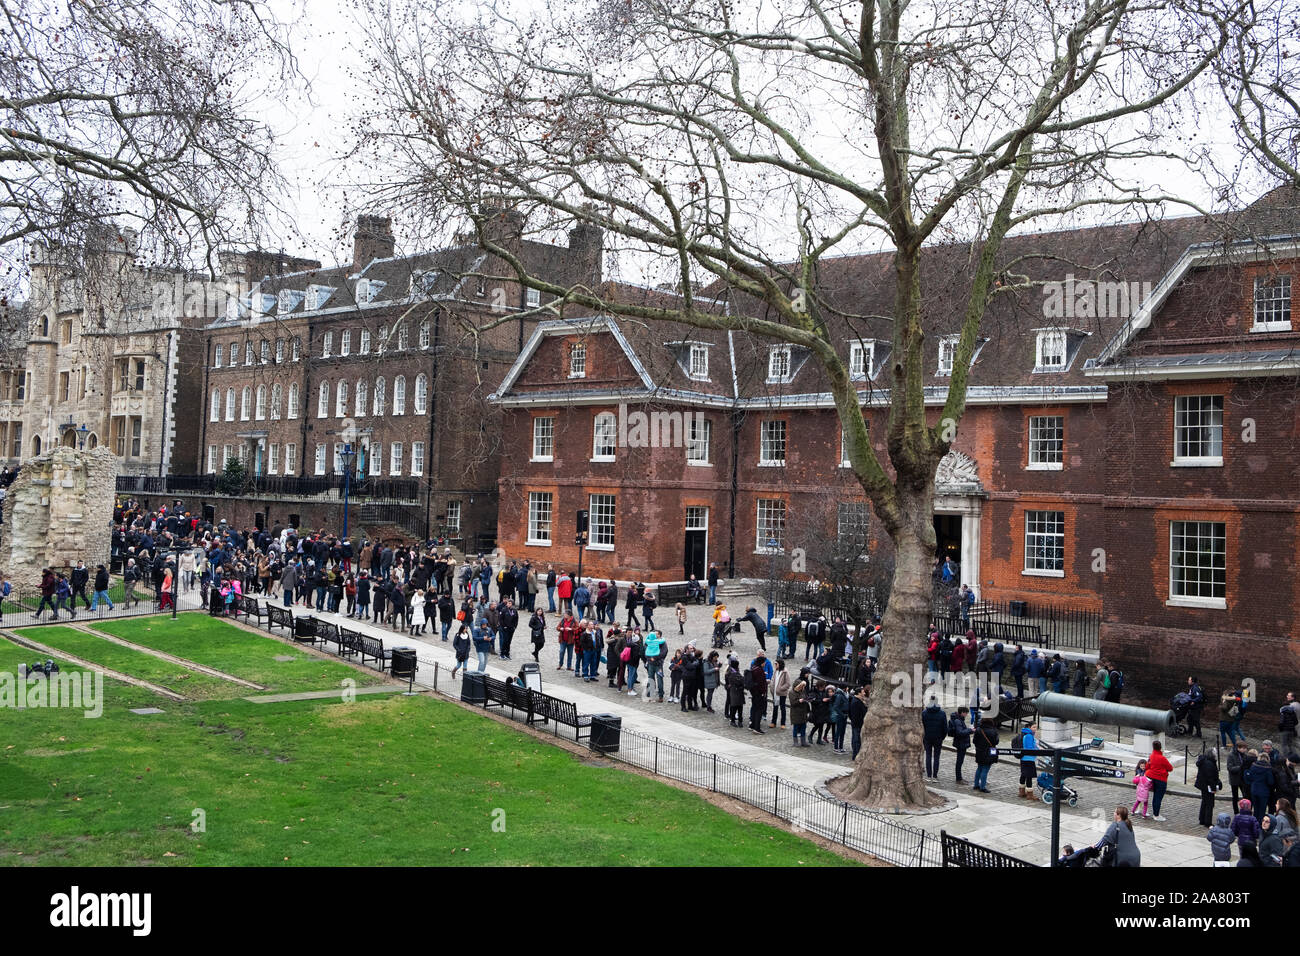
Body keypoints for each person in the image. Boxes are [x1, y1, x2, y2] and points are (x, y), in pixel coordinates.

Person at [1143, 740, 1172, 821]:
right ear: (1160, 748)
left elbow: (1147, 766)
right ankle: (1156, 815)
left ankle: (1154, 813)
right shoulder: (1162, 758)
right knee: (1158, 797)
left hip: (1151, 778)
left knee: (1155, 797)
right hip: (1161, 780)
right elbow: (1170, 768)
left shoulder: (1151, 756)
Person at [1194, 747, 1223, 827]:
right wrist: (1213, 788)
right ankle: (1207, 822)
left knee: (1205, 802)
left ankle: (1202, 819)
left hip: (1203, 785)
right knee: (1209, 804)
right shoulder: (1209, 763)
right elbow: (1210, 778)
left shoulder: (1206, 761)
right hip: (1207, 786)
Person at [1244, 749, 1275, 821]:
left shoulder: (1253, 766)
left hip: (1254, 790)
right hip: (1264, 792)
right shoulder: (1268, 768)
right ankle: (1261, 824)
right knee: (1262, 810)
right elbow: (1270, 782)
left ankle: (1255, 823)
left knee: (1256, 809)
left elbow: (1250, 778)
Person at [921, 697, 947, 778]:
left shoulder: (924, 713)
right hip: (938, 738)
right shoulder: (942, 713)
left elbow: (922, 726)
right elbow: (945, 728)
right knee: (936, 757)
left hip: (927, 737)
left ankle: (929, 775)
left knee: (928, 756)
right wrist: (942, 737)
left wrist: (923, 737)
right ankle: (935, 775)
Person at [972, 718, 999, 793]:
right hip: (989, 752)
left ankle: (976, 784)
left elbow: (974, 741)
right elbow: (996, 742)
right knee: (985, 769)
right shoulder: (993, 731)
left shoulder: (978, 730)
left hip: (979, 752)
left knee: (979, 768)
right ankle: (982, 787)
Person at [949, 706, 972, 783]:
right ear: (962, 712)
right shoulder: (958, 721)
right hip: (961, 744)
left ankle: (959, 778)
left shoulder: (959, 719)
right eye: (966, 713)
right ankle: (958, 779)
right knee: (959, 761)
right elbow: (960, 732)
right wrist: (970, 730)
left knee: (960, 761)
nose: (966, 715)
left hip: (961, 743)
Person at [747, 652, 768, 733]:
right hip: (759, 694)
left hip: (753, 693)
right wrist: (763, 692)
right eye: (764, 662)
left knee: (755, 709)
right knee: (759, 710)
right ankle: (757, 728)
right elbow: (761, 683)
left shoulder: (753, 668)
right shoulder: (759, 670)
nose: (765, 664)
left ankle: (752, 725)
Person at [1018, 722, 1040, 800]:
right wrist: (1038, 750)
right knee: (1029, 776)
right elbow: (1030, 749)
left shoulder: (1026, 734)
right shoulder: (1029, 736)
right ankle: (1029, 794)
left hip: (1024, 758)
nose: (1035, 729)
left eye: (1036, 727)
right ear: (1029, 727)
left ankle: (1021, 791)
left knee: (1024, 775)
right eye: (1033, 727)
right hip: (1029, 759)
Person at [769, 658, 791, 728]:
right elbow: (773, 679)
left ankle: (783, 723)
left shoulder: (785, 672)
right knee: (775, 708)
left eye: (776, 664)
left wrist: (780, 689)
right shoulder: (776, 671)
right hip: (775, 693)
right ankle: (773, 722)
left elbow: (788, 684)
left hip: (782, 694)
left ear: (780, 664)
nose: (775, 665)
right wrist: (772, 687)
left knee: (782, 708)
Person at [791, 674, 811, 748]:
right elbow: (793, 703)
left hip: (803, 712)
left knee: (803, 727)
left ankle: (803, 741)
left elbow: (805, 697)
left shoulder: (803, 691)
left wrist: (807, 699)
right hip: (796, 713)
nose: (803, 688)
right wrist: (799, 701)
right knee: (796, 727)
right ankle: (795, 741)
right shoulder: (792, 692)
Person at [724, 658, 745, 727]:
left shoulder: (731, 671)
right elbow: (740, 681)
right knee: (735, 706)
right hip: (734, 691)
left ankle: (739, 721)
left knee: (738, 707)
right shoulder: (732, 673)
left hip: (735, 691)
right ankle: (734, 720)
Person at [1279, 691, 1300, 757]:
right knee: (1291, 743)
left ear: (1293, 697)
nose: (1287, 696)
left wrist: (1280, 728)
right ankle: (1294, 757)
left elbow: (1281, 721)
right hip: (1293, 726)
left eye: (1288, 695)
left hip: (1291, 727)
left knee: (1288, 743)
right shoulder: (1298, 705)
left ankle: (1287, 758)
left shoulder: (1289, 707)